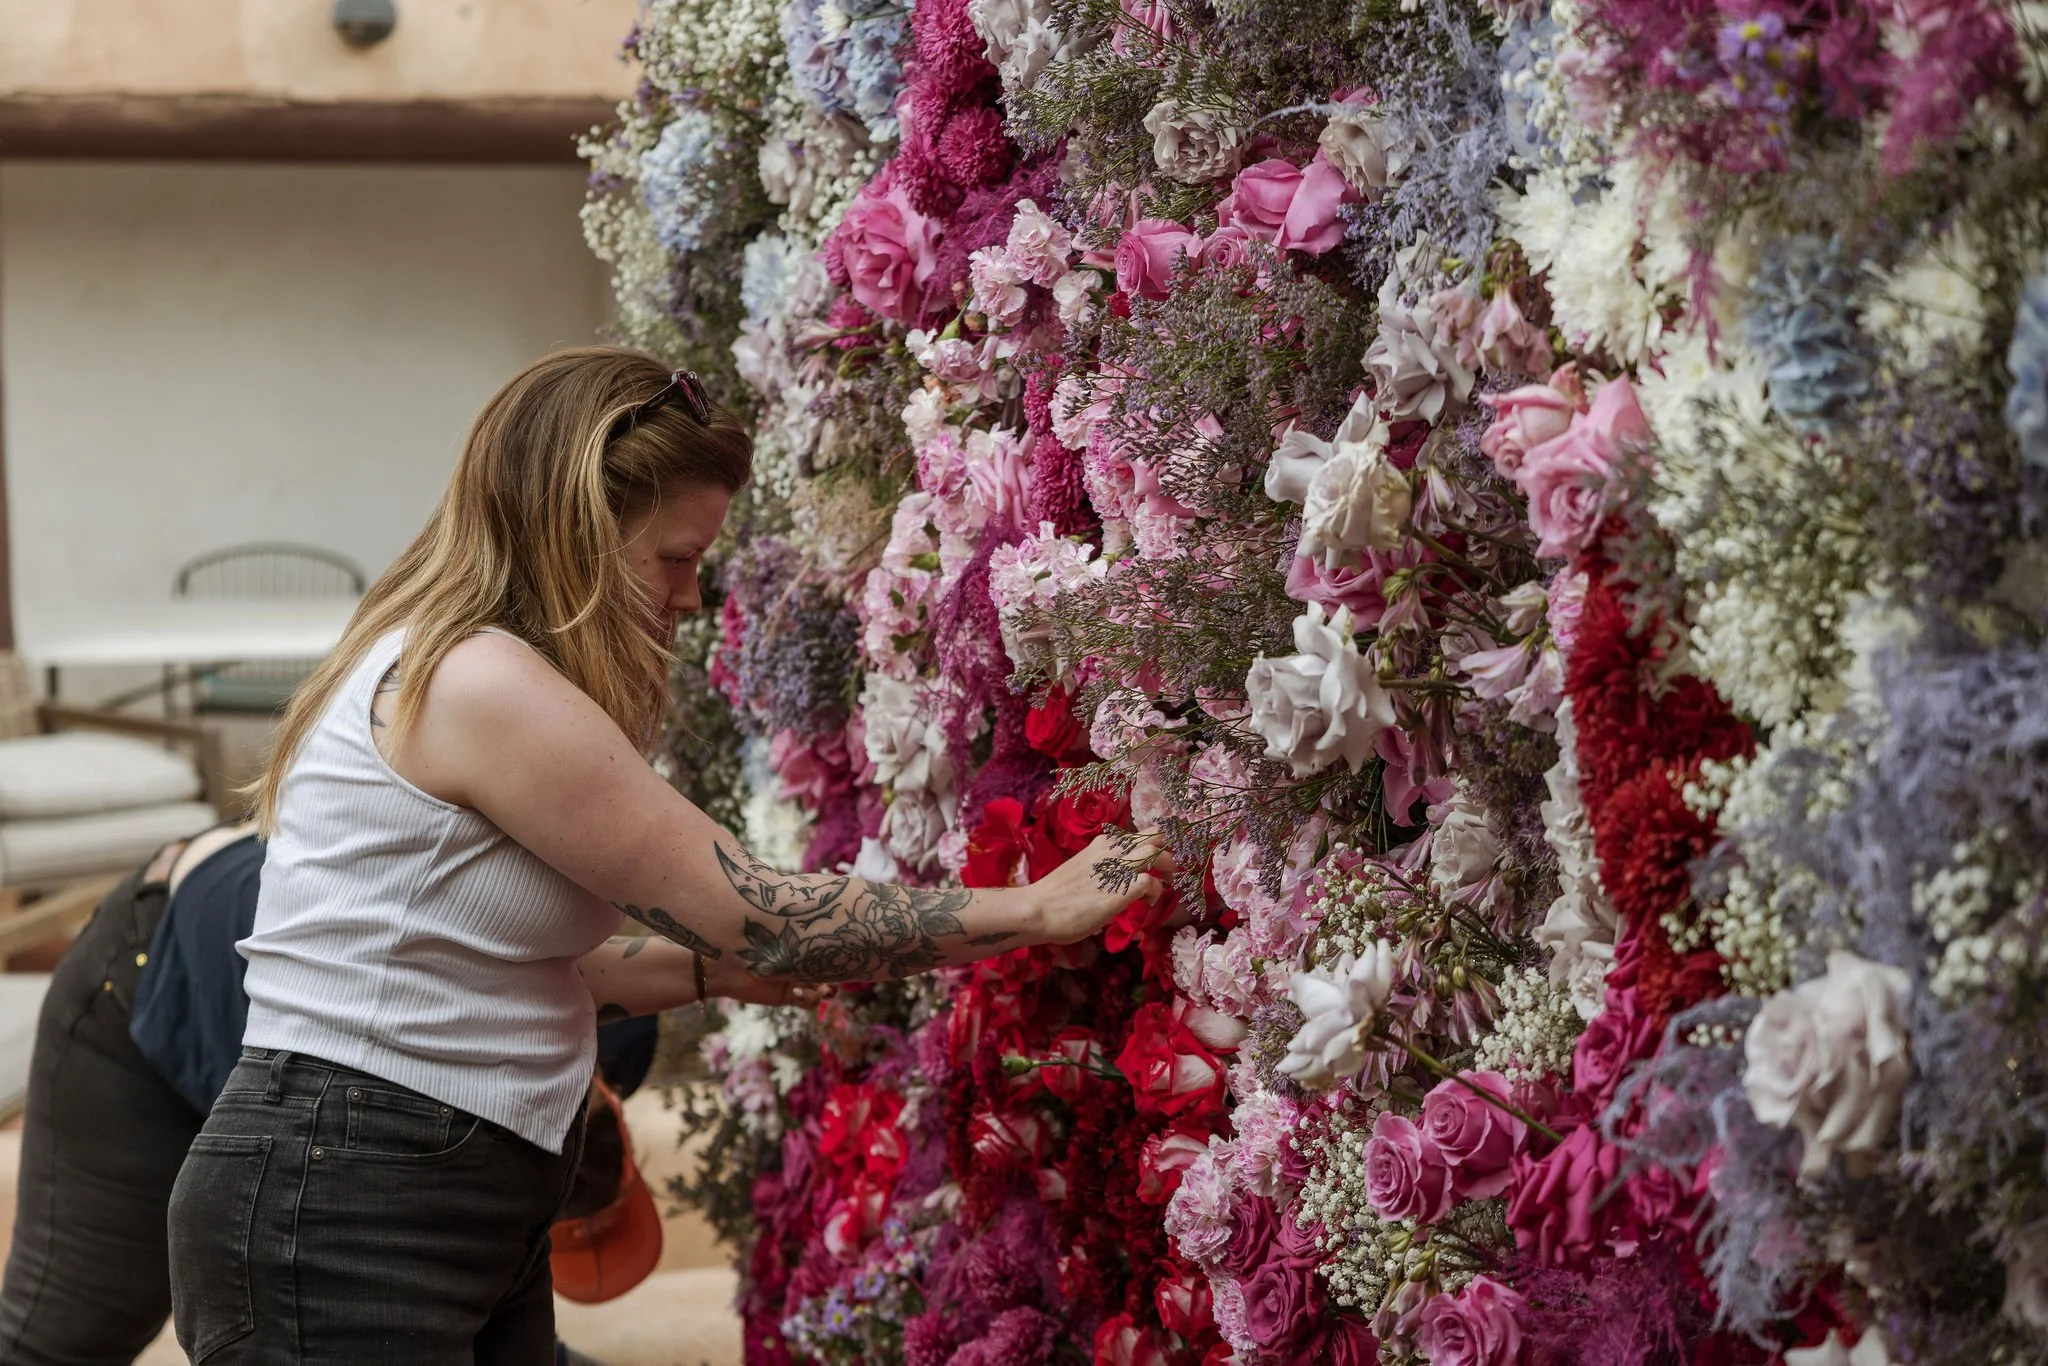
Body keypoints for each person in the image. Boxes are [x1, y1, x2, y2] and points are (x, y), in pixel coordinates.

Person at [167, 347, 1166, 1364]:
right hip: (344, 1207)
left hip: (405, 1193)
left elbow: (476, 961)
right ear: (578, 531)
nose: (689, 599)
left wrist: (702, 972)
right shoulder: (480, 683)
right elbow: (763, 915)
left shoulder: (465, 665)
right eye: (675, 561)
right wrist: (1033, 910)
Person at [0, 825, 646, 1366]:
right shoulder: (351, 1112)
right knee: (65, 1337)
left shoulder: (619, 1034)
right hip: (160, 965)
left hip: (325, 1029)